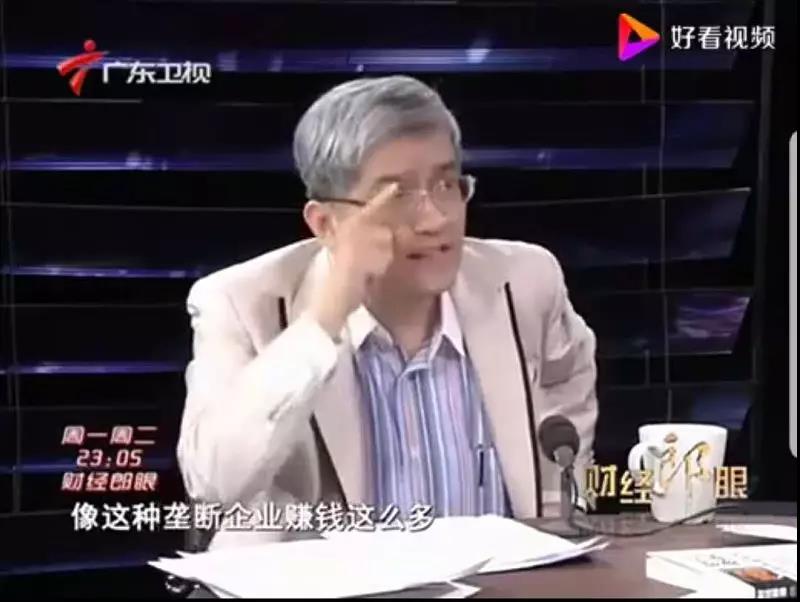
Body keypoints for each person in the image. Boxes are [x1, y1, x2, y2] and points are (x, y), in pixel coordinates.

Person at [176, 75, 598, 550]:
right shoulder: (241, 303)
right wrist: (324, 318)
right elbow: (213, 483)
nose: (436, 219)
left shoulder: (525, 283)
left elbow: (566, 449)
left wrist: (553, 548)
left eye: (446, 184)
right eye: (398, 196)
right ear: (326, 223)